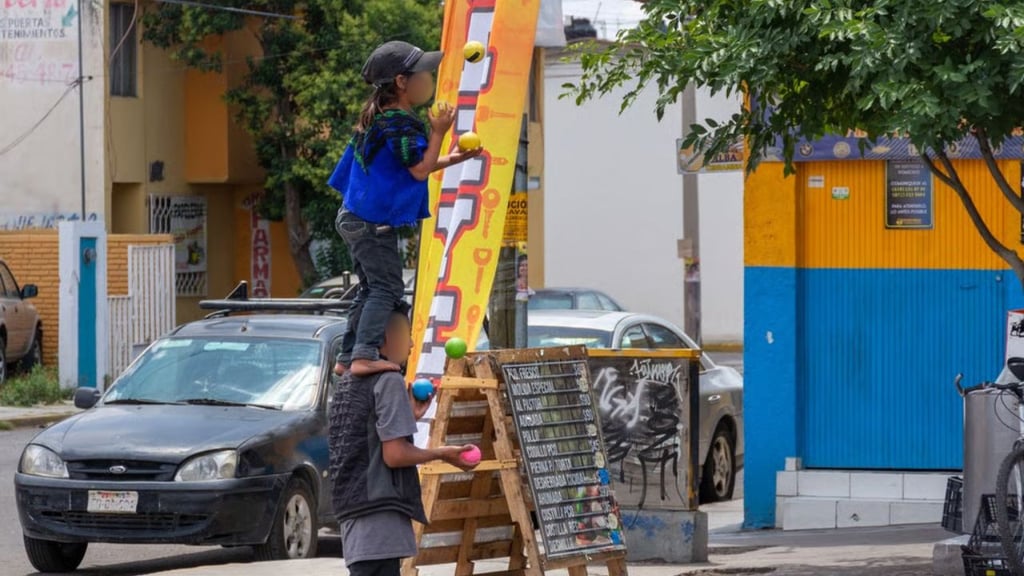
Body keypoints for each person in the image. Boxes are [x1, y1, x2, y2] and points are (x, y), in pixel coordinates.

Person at [329, 40, 482, 377]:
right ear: (401, 82)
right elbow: (419, 170)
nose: (428, 78)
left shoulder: (382, 116)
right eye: (423, 73)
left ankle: (347, 355)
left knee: (371, 287)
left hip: (353, 217)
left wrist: (455, 157)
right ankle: (364, 354)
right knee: (387, 288)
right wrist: (439, 131)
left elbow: (413, 163)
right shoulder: (399, 121)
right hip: (371, 224)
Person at [328, 307, 478, 576]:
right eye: (406, 334)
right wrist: (444, 454)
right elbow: (394, 455)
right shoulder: (388, 379)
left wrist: (408, 417)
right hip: (379, 514)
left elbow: (368, 441)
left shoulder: (350, 379)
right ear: (385, 336)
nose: (410, 344)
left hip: (355, 512)